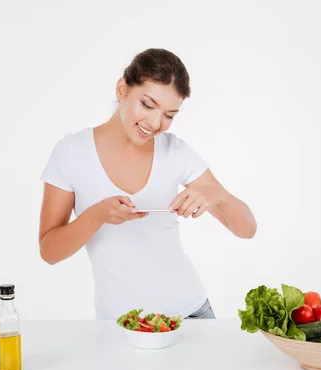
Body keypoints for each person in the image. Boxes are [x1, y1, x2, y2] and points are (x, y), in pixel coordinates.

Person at [38, 48, 257, 321]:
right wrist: (95, 215)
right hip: (119, 326)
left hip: (190, 316)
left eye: (169, 115)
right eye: (148, 105)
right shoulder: (71, 152)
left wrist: (217, 194)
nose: (155, 123)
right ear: (122, 89)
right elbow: (49, 252)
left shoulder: (175, 152)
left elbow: (247, 230)